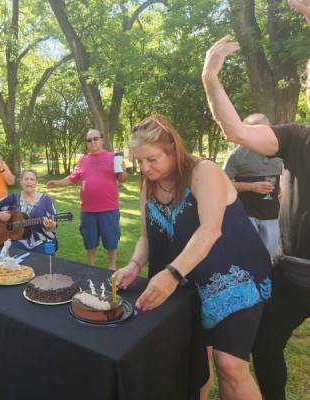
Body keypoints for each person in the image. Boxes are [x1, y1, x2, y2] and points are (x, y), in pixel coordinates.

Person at [113, 116, 272, 400]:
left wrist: (172, 274)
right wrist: (135, 264)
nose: (145, 169)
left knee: (229, 365)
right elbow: (147, 237)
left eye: (151, 159)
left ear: (173, 150)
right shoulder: (148, 184)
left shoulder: (204, 171)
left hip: (233, 278)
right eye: (139, 162)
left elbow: (210, 230)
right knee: (192, 363)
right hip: (187, 285)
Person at [202, 26, 310, 400]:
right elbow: (235, 131)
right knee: (263, 345)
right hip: (298, 272)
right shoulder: (297, 137)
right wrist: (210, 77)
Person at [46, 129, 128, 269]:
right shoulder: (83, 160)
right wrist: (58, 183)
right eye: (89, 140)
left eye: (95, 139)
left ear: (102, 140)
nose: (92, 142)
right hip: (88, 210)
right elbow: (73, 178)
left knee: (111, 239)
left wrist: (121, 170)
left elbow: (123, 179)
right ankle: (91, 266)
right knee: (89, 240)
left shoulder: (113, 157)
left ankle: (112, 266)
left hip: (109, 208)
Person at [223, 113, 284, 257]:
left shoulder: (281, 151)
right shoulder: (236, 154)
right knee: (247, 257)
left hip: (274, 216)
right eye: (253, 130)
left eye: (263, 130)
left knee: (270, 258)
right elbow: (223, 184)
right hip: (245, 216)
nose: (258, 134)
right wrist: (251, 186)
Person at [0, 169, 57, 254]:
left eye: (32, 179)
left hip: (42, 241)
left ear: (36, 182)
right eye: (26, 179)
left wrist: (50, 226)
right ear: (21, 181)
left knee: (43, 262)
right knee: (10, 257)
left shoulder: (46, 200)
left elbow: (54, 223)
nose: (29, 182)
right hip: (16, 241)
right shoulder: (13, 198)